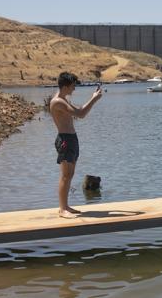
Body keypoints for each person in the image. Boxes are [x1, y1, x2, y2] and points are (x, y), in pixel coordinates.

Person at [50, 72, 102, 218]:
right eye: (73, 86)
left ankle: (66, 206)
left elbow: (78, 111)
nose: (74, 89)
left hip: (71, 138)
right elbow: (81, 114)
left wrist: (92, 99)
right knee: (66, 175)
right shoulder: (57, 102)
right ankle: (62, 209)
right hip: (65, 139)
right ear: (66, 86)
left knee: (70, 174)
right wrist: (94, 99)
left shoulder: (63, 99)